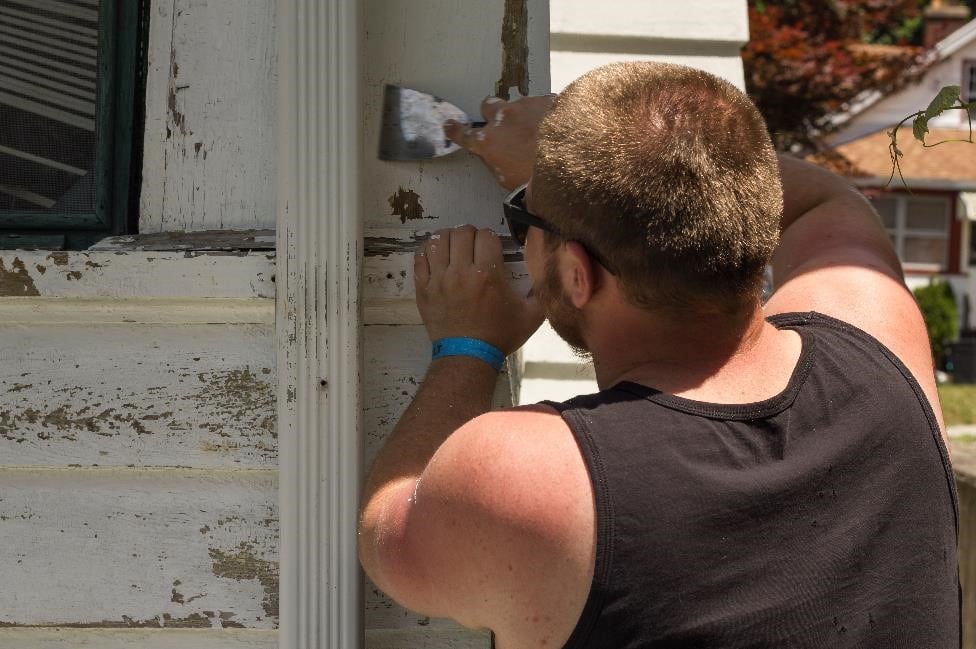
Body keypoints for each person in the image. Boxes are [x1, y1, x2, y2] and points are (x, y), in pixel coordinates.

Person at [357, 62, 960, 648]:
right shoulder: (881, 338)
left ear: (576, 275)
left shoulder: (531, 478)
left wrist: (467, 346)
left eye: (524, 217)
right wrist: (614, 162)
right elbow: (828, 201)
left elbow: (388, 530)